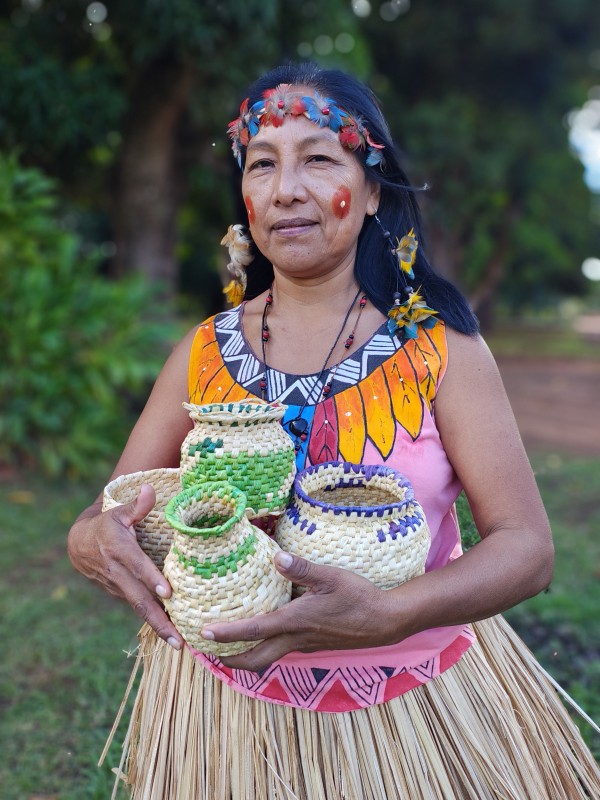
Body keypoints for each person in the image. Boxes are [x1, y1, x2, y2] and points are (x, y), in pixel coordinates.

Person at [68, 63, 600, 799]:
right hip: (227, 723)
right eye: (262, 164)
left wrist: (390, 614)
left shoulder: (439, 349)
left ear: (373, 188)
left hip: (410, 717)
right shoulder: (203, 353)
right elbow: (101, 517)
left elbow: (528, 549)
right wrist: (92, 542)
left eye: (318, 158)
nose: (285, 189)